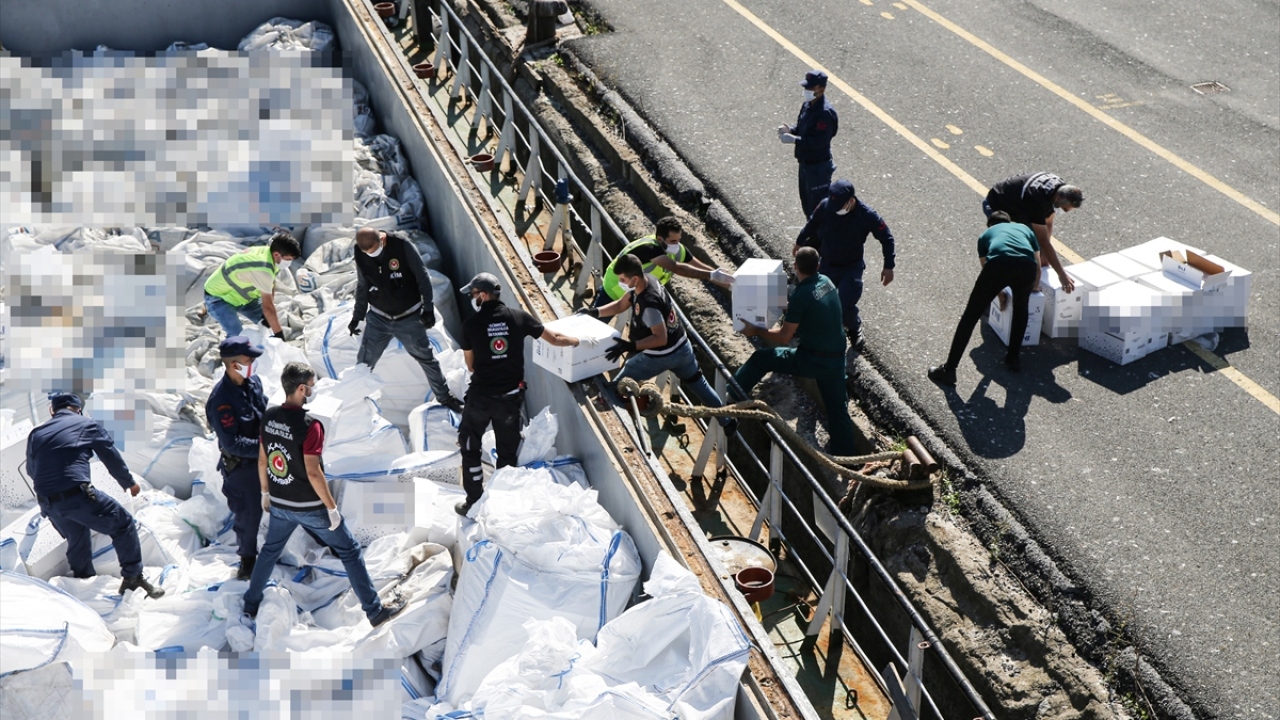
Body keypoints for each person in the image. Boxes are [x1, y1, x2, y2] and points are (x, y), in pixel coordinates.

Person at [243, 362, 406, 626]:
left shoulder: (269, 417)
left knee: (270, 552)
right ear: (301, 389)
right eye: (312, 386)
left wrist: (265, 493)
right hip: (310, 506)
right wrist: (331, 509)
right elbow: (314, 473)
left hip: (280, 503)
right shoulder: (311, 426)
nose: (314, 391)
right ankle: (374, 611)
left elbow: (263, 460)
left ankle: (250, 603)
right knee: (350, 551)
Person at [454, 273, 586, 516]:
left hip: (481, 399)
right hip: (509, 400)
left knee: (470, 447)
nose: (472, 299)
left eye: (473, 295)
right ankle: (505, 505)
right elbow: (555, 339)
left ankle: (473, 501)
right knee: (507, 453)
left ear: (483, 295)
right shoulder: (518, 317)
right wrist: (581, 341)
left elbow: (471, 366)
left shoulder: (470, 325)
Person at [581, 254, 737, 438]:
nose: (621, 282)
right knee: (699, 384)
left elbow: (660, 338)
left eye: (622, 279)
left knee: (620, 383)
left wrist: (630, 346)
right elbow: (621, 304)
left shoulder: (649, 305)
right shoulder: (648, 281)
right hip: (683, 348)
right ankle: (727, 421)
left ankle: (613, 423)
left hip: (662, 354)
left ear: (634, 279)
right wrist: (595, 312)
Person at [25, 393, 164, 598]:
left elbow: (31, 470)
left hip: (48, 503)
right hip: (76, 494)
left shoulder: (36, 433)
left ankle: (84, 585)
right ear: (78, 409)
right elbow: (110, 456)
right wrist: (128, 483)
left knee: (77, 536)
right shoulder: (86, 424)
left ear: (51, 411)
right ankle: (133, 577)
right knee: (123, 524)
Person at [732, 248, 857, 456]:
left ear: (795, 266)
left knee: (761, 358)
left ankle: (729, 396)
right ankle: (847, 458)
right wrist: (785, 306)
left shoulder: (801, 294)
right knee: (837, 410)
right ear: (818, 265)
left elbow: (784, 336)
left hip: (812, 358)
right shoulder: (825, 281)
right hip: (836, 358)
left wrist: (756, 330)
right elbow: (808, 310)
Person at [347, 227, 464, 413]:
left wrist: (428, 309)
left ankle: (445, 397)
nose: (371, 256)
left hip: (408, 318)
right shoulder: (360, 253)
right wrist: (357, 317)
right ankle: (353, 401)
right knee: (363, 363)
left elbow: (422, 276)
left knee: (427, 359)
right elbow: (362, 285)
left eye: (374, 251)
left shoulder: (402, 245)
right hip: (379, 318)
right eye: (367, 253)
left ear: (382, 240)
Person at [928, 212, 1042, 384]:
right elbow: (1037, 263)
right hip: (1027, 267)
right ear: (1009, 221)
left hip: (998, 264)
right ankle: (1013, 358)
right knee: (1021, 309)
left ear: (990, 225)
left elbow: (986, 266)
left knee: (971, 316)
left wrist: (999, 294)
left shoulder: (985, 235)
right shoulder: (1023, 228)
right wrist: (1033, 286)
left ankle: (949, 370)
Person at [793, 179, 895, 349]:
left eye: (840, 206)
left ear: (851, 200)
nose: (836, 210)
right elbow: (813, 223)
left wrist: (888, 266)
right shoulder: (826, 206)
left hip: (851, 268)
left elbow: (887, 238)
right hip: (827, 266)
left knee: (845, 304)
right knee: (818, 298)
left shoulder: (867, 215)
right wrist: (799, 242)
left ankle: (854, 329)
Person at [205, 336, 268, 580]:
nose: (252, 363)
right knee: (249, 515)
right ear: (233, 365)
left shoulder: (253, 382)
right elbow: (233, 443)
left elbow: (264, 413)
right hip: (243, 467)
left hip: (266, 456)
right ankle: (247, 562)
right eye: (248, 359)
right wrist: (266, 449)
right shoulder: (221, 401)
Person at [596, 216, 734, 305]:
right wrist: (711, 275)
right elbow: (677, 268)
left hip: (639, 293)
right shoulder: (649, 248)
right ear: (660, 239)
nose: (677, 244)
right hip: (616, 287)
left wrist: (731, 284)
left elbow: (702, 268)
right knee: (598, 323)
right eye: (673, 241)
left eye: (679, 240)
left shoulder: (678, 249)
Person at [983, 172, 1083, 293]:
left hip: (1021, 203)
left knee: (1035, 250)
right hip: (997, 203)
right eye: (1064, 208)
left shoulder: (1058, 189)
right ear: (1058, 199)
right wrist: (1061, 274)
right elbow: (1043, 241)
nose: (1065, 212)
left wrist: (1044, 258)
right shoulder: (1037, 201)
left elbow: (1048, 222)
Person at [203, 231, 301, 339]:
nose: (289, 263)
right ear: (277, 254)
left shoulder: (271, 255)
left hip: (244, 298)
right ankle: (231, 354)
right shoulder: (263, 268)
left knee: (268, 323)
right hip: (219, 298)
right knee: (237, 334)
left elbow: (271, 283)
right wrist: (279, 335)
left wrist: (268, 312)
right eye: (288, 259)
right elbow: (268, 308)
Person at [778, 70, 839, 220]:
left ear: (821, 89)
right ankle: (812, 237)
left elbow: (818, 142)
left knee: (818, 209)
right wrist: (790, 129)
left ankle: (822, 241)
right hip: (805, 165)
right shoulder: (808, 105)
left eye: (811, 88)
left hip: (818, 168)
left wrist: (794, 139)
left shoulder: (825, 113)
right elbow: (802, 128)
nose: (807, 91)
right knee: (807, 204)